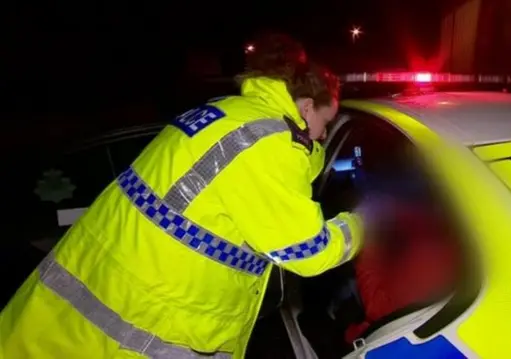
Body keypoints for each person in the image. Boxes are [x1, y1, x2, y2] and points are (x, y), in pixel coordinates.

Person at [0, 33, 366, 359]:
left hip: (71, 316)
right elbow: (306, 252)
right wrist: (363, 222)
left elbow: (289, 157)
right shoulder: (271, 147)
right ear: (305, 107)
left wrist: (313, 145)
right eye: (326, 122)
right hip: (149, 329)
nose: (323, 135)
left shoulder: (231, 114)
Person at [344, 200, 461, 344]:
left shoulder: (434, 259)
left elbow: (379, 308)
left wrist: (368, 246)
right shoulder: (436, 240)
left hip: (382, 325)